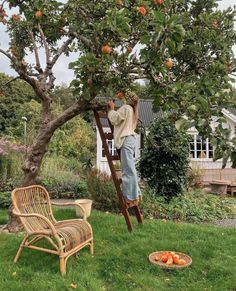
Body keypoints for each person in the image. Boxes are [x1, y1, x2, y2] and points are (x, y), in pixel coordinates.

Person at [107, 91, 141, 207]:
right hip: (130, 140)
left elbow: (114, 119)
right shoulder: (133, 110)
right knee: (130, 169)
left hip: (126, 140)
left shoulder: (126, 108)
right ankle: (135, 195)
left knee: (128, 171)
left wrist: (111, 109)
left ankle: (131, 198)